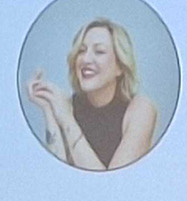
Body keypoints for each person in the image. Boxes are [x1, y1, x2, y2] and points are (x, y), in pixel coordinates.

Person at [26, 17, 159, 171]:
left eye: (99, 51)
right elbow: (55, 176)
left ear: (120, 67)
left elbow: (111, 185)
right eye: (81, 51)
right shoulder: (65, 107)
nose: (86, 59)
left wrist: (67, 120)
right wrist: (49, 110)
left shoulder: (141, 109)